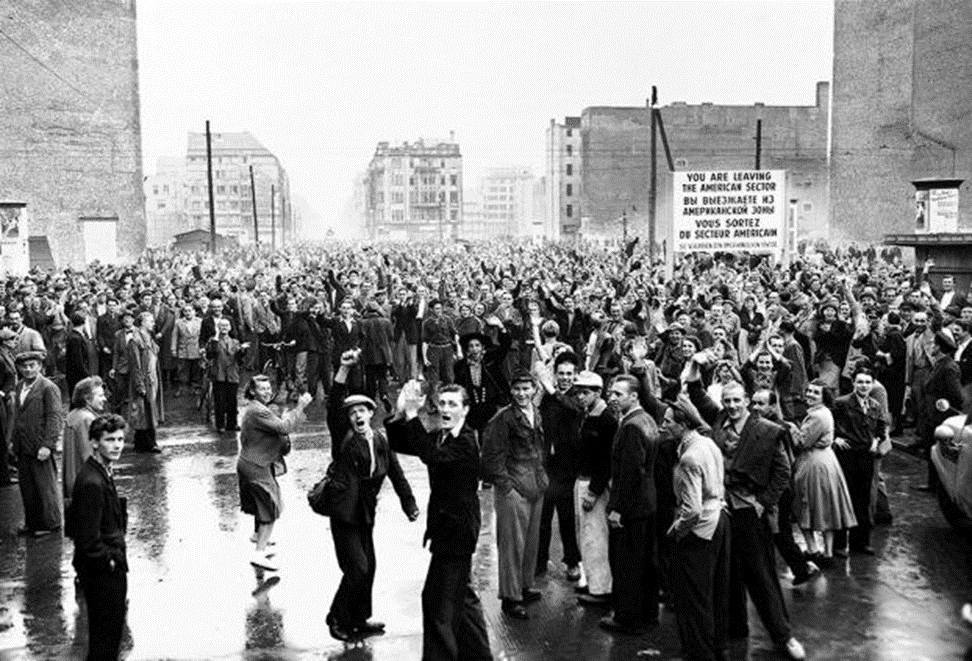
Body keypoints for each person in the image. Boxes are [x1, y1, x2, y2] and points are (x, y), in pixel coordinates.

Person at [685, 355, 806, 660]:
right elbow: (696, 393)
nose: (732, 405)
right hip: (722, 510)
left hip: (748, 510)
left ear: (748, 400)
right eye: (727, 400)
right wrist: (696, 364)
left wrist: (764, 503)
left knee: (761, 575)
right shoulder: (717, 420)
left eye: (737, 400)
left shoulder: (765, 429)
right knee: (725, 573)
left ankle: (783, 635)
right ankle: (735, 627)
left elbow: (783, 472)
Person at [386, 382, 492, 661]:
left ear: (466, 410)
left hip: (457, 534)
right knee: (462, 602)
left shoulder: (466, 441)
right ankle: (479, 656)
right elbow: (401, 443)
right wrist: (400, 413)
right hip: (445, 530)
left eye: (452, 404)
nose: (445, 409)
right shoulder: (442, 436)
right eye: (442, 403)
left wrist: (412, 416)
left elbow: (432, 456)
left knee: (438, 605)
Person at [324, 350, 419, 641]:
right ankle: (337, 617)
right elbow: (333, 407)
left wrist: (409, 503)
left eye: (361, 411)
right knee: (357, 567)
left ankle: (359, 619)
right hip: (343, 511)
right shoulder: (344, 437)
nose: (356, 416)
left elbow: (396, 473)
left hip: (366, 510)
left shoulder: (379, 439)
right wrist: (343, 369)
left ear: (370, 413)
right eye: (351, 413)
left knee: (370, 567)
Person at [663, 398, 730, 661]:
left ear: (683, 425)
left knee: (693, 597)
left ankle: (699, 653)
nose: (664, 426)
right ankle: (717, 646)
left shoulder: (689, 457)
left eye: (669, 422)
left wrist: (676, 531)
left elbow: (691, 510)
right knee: (716, 591)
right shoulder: (708, 443)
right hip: (719, 520)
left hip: (700, 529)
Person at [481, 369, 548, 620]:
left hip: (536, 483)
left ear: (534, 389)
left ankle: (524, 586)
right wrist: (506, 486)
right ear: (511, 390)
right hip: (513, 488)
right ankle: (510, 597)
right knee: (511, 544)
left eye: (526, 388)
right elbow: (489, 458)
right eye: (517, 389)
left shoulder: (536, 413)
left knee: (531, 541)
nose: (521, 393)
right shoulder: (503, 418)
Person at [600, 374, 660, 635]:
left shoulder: (632, 426)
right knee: (645, 562)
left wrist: (617, 510)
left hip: (631, 507)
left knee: (626, 563)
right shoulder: (646, 419)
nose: (611, 398)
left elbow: (630, 472)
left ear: (634, 396)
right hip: (646, 503)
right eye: (611, 393)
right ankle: (647, 614)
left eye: (618, 394)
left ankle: (626, 617)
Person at [67, 413, 129, 661]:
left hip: (104, 569)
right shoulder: (92, 481)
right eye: (110, 440)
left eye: (121, 439)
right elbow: (85, 536)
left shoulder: (101, 471)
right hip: (103, 573)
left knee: (109, 637)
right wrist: (110, 561)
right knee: (106, 641)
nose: (117, 446)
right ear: (94, 442)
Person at [238, 375, 313, 572]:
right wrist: (300, 407)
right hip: (257, 465)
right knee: (271, 507)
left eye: (269, 387)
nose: (268, 391)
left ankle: (258, 536)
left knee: (261, 503)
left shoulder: (257, 409)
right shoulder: (257, 411)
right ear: (253, 391)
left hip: (253, 463)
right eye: (262, 388)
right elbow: (285, 427)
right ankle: (259, 553)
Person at [787, 380, 857, 568]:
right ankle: (827, 552)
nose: (809, 394)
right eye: (808, 391)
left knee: (805, 507)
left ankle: (813, 550)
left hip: (813, 463)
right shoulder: (823, 412)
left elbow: (802, 442)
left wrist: (792, 428)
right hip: (826, 460)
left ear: (823, 396)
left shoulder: (817, 416)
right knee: (826, 509)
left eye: (815, 393)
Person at [534, 352, 582, 581]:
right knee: (542, 516)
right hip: (546, 464)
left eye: (569, 374)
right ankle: (539, 561)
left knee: (566, 517)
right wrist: (541, 388)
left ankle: (572, 561)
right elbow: (533, 414)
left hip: (567, 466)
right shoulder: (547, 395)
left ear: (575, 375)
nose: (564, 378)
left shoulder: (578, 396)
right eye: (560, 373)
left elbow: (573, 409)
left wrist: (551, 389)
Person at [572, 370, 617, 606]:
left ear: (598, 393)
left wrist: (593, 490)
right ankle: (593, 581)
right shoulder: (588, 415)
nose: (580, 396)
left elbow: (605, 460)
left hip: (594, 484)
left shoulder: (606, 420)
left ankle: (601, 588)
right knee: (586, 535)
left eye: (585, 392)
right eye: (578, 392)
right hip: (584, 479)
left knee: (595, 536)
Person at [832, 367, 886, 555]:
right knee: (844, 497)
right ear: (853, 383)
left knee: (863, 499)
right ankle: (838, 544)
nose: (863, 385)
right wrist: (834, 439)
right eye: (860, 382)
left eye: (867, 382)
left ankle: (860, 542)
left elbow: (881, 427)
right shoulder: (841, 403)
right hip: (846, 455)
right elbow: (829, 423)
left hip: (866, 456)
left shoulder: (875, 405)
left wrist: (876, 441)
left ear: (872, 384)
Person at [12, 350, 63, 536]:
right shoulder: (19, 386)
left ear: (40, 366)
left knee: (45, 486)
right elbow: (18, 415)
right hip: (23, 444)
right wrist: (13, 440)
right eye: (24, 366)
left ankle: (51, 524)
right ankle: (32, 523)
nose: (28, 369)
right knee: (28, 487)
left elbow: (55, 417)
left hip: (39, 444)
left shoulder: (48, 387)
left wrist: (47, 445)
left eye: (32, 365)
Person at [452, 318, 511, 434]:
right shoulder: (460, 366)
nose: (475, 349)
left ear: (483, 347)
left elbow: (505, 346)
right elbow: (458, 385)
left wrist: (501, 327)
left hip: (491, 405)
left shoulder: (491, 360)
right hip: (471, 406)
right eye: (471, 346)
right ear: (467, 349)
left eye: (477, 345)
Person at [63, 376, 108, 504]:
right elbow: (89, 456)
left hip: (75, 481)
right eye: (100, 396)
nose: (104, 399)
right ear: (87, 399)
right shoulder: (87, 419)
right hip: (87, 485)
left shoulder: (74, 415)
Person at [205, 318, 248, 433]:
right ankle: (220, 425)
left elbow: (239, 360)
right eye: (221, 325)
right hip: (219, 374)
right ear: (217, 328)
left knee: (232, 400)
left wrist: (242, 351)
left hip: (232, 374)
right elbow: (210, 355)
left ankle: (232, 423)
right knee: (219, 400)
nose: (224, 327)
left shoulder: (235, 342)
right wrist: (215, 339)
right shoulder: (213, 341)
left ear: (230, 328)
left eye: (226, 325)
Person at [127, 312, 161, 453]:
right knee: (143, 411)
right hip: (143, 379)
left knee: (149, 411)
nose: (153, 323)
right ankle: (146, 443)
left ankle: (146, 442)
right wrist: (139, 384)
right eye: (150, 321)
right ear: (142, 322)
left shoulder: (148, 338)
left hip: (152, 377)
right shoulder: (135, 340)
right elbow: (135, 365)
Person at [0, 328, 18, 486]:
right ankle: (4, 471)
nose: (15, 342)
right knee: (6, 434)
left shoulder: (8, 355)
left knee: (9, 434)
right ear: (4, 342)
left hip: (10, 397)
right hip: (6, 400)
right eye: (12, 339)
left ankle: (8, 465)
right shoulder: (1, 358)